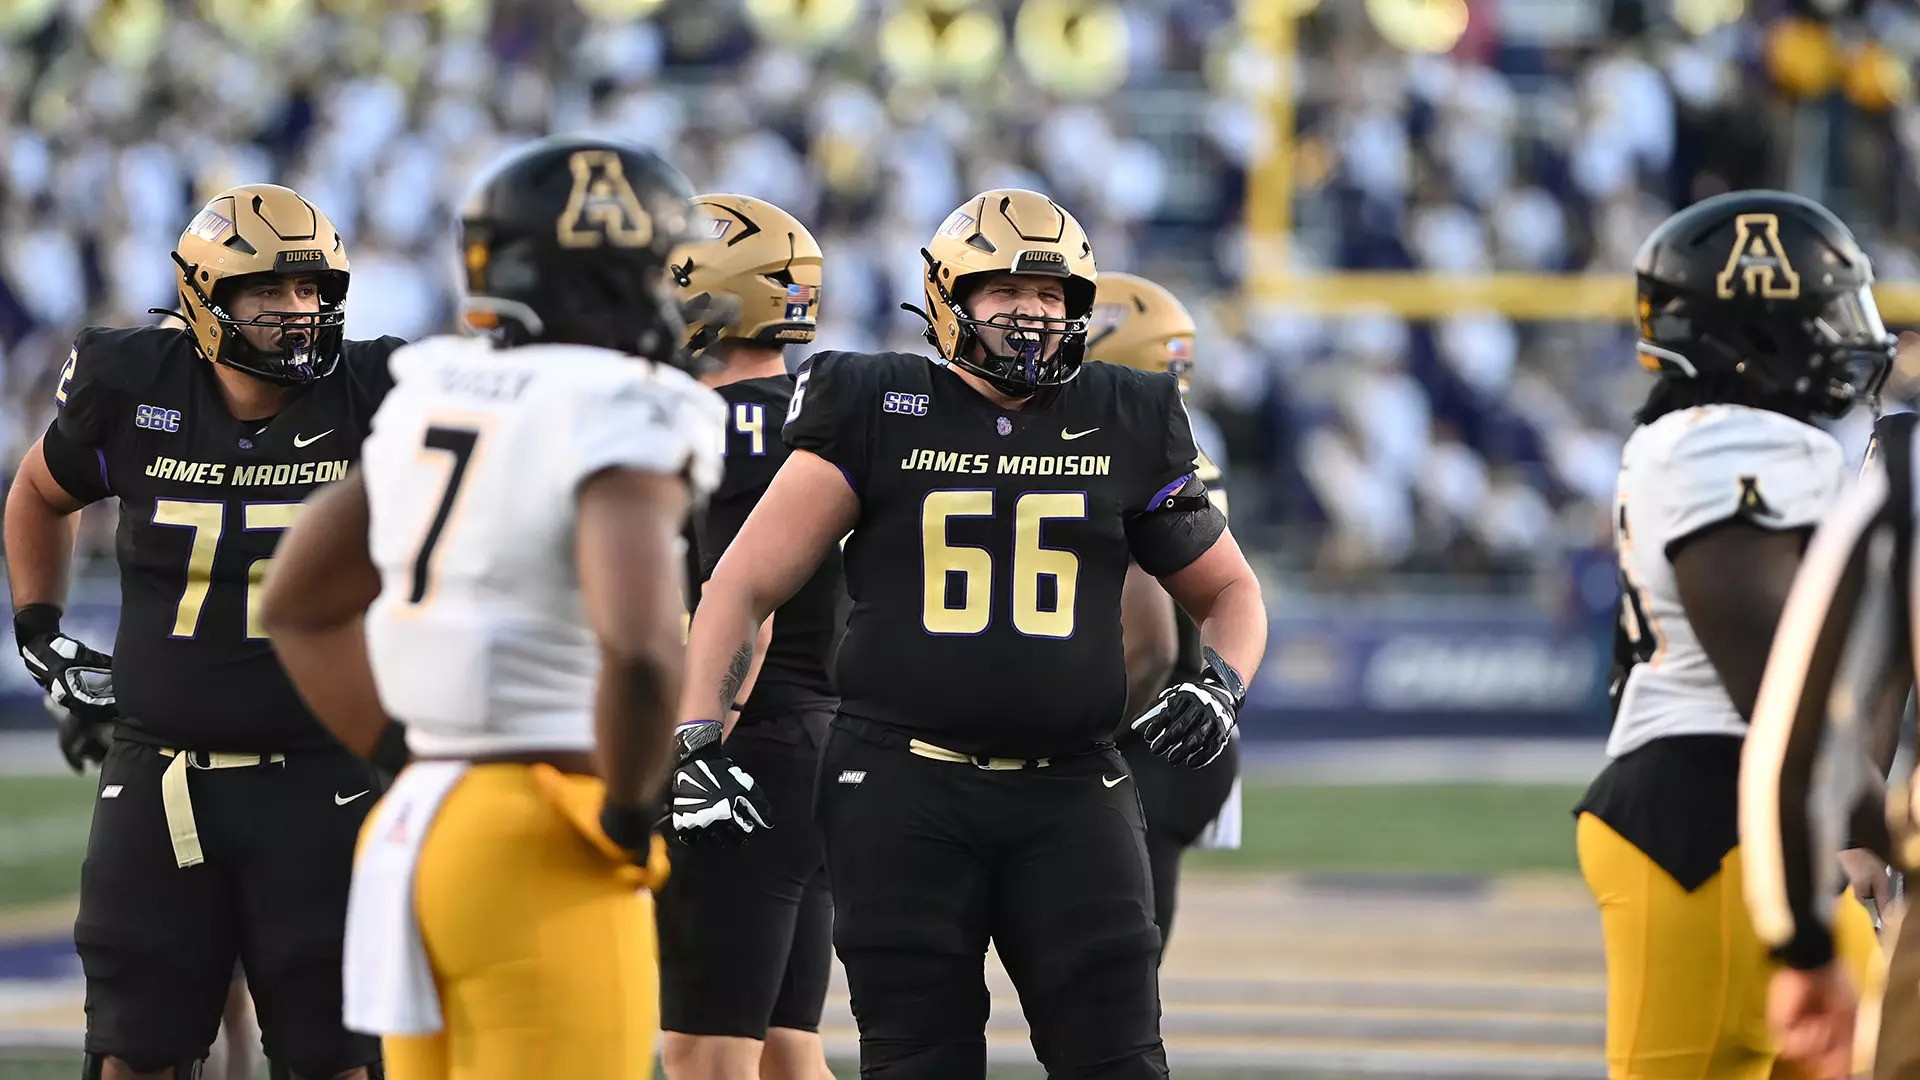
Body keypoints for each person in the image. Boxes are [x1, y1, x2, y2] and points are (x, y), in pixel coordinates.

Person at [676, 187, 1268, 1079]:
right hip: (899, 787)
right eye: (1004, 292)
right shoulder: (872, 401)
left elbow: (1230, 590)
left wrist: (1221, 683)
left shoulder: (1126, 414)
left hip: (1072, 787)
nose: (1030, 316)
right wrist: (696, 736)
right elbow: (742, 585)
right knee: (916, 1058)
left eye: (1050, 296)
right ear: (949, 295)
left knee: (1118, 1059)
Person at [258, 135, 722, 1080]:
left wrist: (401, 752)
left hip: (420, 821)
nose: (678, 300)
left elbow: (297, 600)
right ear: (607, 286)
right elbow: (639, 650)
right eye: (658, 273)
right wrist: (630, 819)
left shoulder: (437, 383)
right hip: (547, 829)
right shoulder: (621, 401)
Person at [4, 182, 401, 1080]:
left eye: (313, 290)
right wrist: (40, 628)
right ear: (204, 295)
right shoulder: (131, 380)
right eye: (270, 291)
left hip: (324, 778)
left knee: (338, 1061)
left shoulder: (381, 391)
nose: (299, 312)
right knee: (133, 1056)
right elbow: (39, 491)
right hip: (160, 771)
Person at [1573, 189, 1890, 1080]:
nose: (1850, 335)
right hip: (1706, 820)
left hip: (1764, 815)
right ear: (1756, 336)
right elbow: (1778, 692)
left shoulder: (1735, 441)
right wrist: (1896, 827)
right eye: (1825, 314)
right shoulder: (1726, 443)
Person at [657, 193, 838, 1080]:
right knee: (782, 1042)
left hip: (742, 741)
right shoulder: (820, 408)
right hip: (817, 739)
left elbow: (742, 609)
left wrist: (697, 745)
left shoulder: (722, 421)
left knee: (704, 1048)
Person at [1088, 270, 1242, 958]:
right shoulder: (1187, 447)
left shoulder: (1133, 454)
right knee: (1124, 979)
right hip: (1189, 734)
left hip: (1149, 734)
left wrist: (1074, 732)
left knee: (1103, 977)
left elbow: (1145, 644)